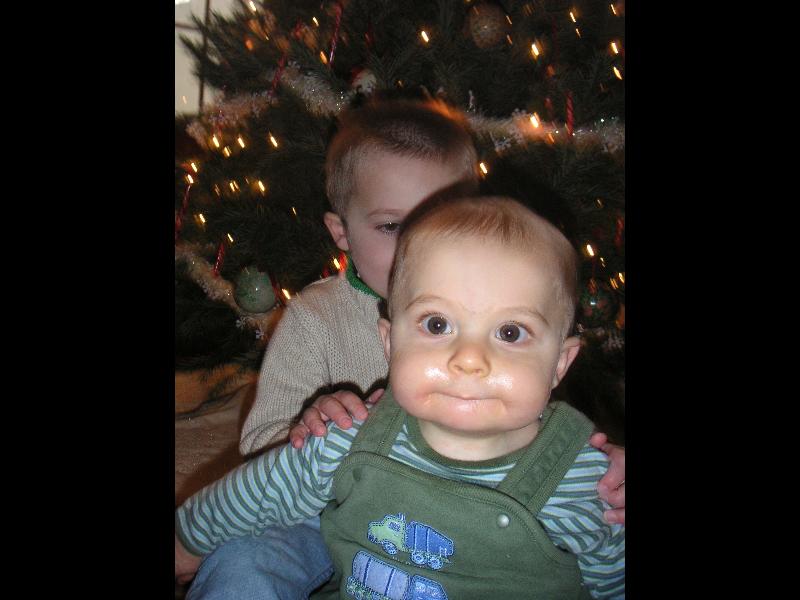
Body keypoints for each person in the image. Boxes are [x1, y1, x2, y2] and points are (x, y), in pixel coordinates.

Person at [182, 99, 625, 599]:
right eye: (392, 226)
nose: (469, 359)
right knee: (242, 562)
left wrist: (605, 474)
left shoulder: (513, 300)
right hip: (320, 507)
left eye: (440, 218)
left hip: (471, 527)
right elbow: (265, 461)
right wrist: (312, 423)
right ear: (342, 232)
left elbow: (544, 421)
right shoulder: (314, 317)